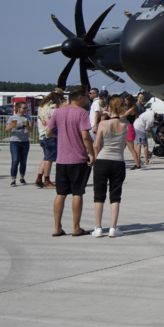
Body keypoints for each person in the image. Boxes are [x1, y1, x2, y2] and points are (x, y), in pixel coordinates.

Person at [47, 86, 95, 237]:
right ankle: (76, 227)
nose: (89, 99)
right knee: (77, 193)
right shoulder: (82, 113)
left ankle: (57, 227)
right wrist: (92, 153)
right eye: (87, 96)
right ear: (80, 97)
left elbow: (48, 132)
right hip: (78, 158)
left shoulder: (58, 111)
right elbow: (86, 136)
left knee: (60, 194)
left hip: (62, 159)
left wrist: (62, 137)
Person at [91, 97, 129, 237]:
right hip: (118, 160)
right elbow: (124, 142)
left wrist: (95, 158)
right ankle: (113, 227)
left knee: (99, 196)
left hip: (103, 160)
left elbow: (96, 145)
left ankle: (98, 227)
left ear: (110, 108)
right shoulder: (126, 123)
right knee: (115, 195)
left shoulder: (103, 124)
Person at [34, 91, 61, 188]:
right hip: (51, 135)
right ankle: (47, 180)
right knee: (49, 159)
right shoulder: (54, 107)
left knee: (46, 157)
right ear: (57, 97)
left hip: (42, 135)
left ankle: (39, 178)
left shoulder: (42, 106)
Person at [6, 101, 34, 186]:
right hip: (15, 141)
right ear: (18, 108)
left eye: (26, 108)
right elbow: (6, 131)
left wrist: (27, 126)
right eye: (24, 108)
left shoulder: (27, 117)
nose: (25, 109)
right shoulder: (12, 118)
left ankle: (22, 177)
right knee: (15, 160)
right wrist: (10, 127)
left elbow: (31, 130)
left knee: (23, 161)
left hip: (25, 141)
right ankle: (13, 179)